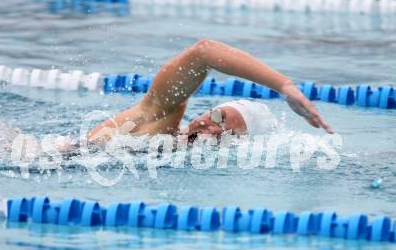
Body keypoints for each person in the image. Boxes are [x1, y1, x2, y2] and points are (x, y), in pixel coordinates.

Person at [87, 39, 334, 144]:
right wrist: (284, 85)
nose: (212, 127)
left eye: (228, 133)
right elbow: (204, 52)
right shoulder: (157, 120)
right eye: (217, 116)